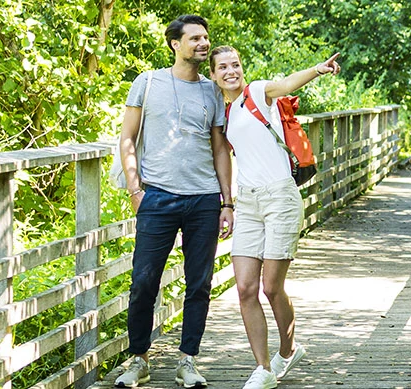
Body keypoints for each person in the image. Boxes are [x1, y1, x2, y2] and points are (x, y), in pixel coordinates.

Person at [208, 46, 340, 389]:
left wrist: (317, 69)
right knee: (245, 287)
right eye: (222, 67)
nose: (231, 71)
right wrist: (229, 204)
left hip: (279, 196)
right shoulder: (224, 112)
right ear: (213, 75)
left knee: (271, 287)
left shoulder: (256, 92)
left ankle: (288, 349)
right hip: (248, 202)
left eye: (235, 64)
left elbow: (285, 84)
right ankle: (263, 368)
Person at [113, 14, 234, 388]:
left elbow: (219, 149)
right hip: (158, 196)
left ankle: (188, 361)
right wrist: (136, 190)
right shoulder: (147, 83)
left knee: (199, 283)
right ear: (175, 44)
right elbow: (127, 138)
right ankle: (138, 359)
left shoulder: (212, 92)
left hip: (203, 200)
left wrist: (227, 202)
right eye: (195, 38)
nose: (202, 44)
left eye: (205, 38)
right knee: (143, 281)